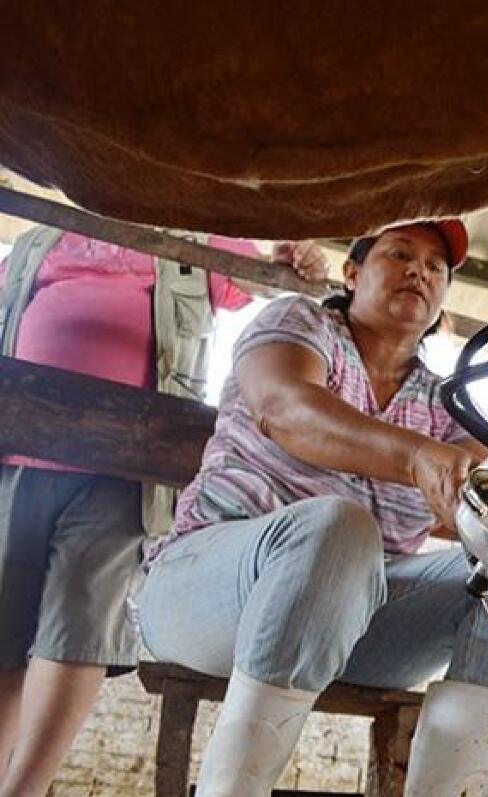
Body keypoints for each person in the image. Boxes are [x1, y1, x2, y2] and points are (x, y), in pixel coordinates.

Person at [135, 220, 488, 797]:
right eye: (400, 253)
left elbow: (470, 504)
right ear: (351, 273)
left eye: (435, 267)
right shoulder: (299, 324)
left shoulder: (445, 401)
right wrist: (414, 458)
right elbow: (284, 407)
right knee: (339, 525)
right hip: (207, 592)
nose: (417, 271)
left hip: (356, 624)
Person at [0, 227, 327, 796]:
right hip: (18, 450)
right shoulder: (41, 236)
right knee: (3, 627)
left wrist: (296, 257)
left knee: (78, 624)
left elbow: (266, 280)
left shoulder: (190, 242)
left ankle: (23, 790)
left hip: (123, 465)